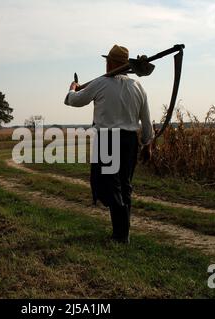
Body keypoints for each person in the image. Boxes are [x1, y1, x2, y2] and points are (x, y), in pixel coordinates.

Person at [64, 44, 154, 243]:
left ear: (111, 63)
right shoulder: (138, 87)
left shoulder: (100, 83)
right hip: (130, 141)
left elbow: (75, 101)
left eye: (107, 61)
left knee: (110, 186)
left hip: (107, 140)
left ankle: (121, 234)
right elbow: (146, 120)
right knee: (123, 186)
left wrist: (72, 89)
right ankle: (122, 233)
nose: (106, 64)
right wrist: (147, 144)